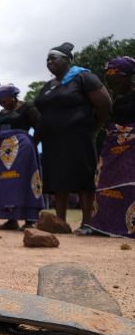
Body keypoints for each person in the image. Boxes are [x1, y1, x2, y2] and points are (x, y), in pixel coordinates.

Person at [34, 42, 112, 234]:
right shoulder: (49, 85)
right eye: (47, 59)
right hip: (53, 141)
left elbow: (105, 104)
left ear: (67, 60)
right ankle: (60, 222)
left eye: (54, 58)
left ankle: (87, 223)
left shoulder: (83, 77)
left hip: (79, 137)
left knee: (83, 177)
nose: (49, 62)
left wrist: (93, 128)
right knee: (58, 179)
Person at [88, 57, 135, 237]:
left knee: (131, 185)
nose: (112, 85)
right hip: (113, 146)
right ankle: (105, 225)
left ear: (129, 77)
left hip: (132, 147)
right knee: (105, 183)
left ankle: (130, 226)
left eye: (116, 81)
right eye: (109, 82)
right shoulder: (118, 99)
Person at [0, 81, 44, 230]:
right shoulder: (2, 113)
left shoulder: (28, 107)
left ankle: (30, 219)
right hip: (3, 152)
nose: (1, 104)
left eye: (4, 100)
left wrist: (32, 143)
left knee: (25, 181)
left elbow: (40, 126)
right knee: (6, 184)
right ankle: (10, 219)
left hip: (23, 150)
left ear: (13, 97)